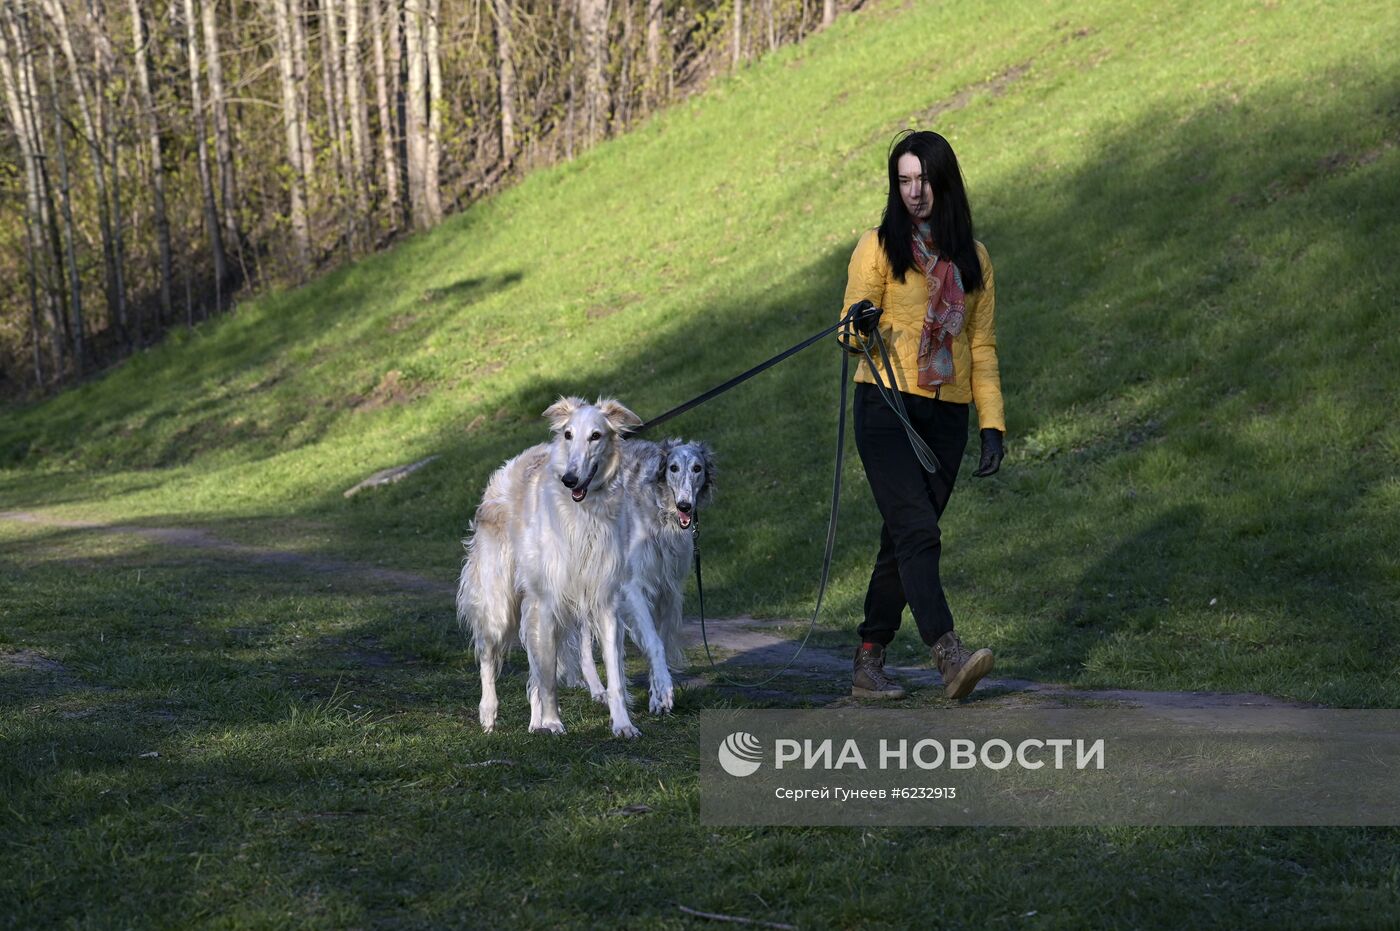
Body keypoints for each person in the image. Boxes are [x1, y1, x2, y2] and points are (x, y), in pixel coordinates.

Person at [840, 129, 1005, 701]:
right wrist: (856, 327)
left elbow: (980, 347)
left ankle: (869, 660)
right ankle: (949, 656)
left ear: (944, 183)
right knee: (918, 532)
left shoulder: (974, 260)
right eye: (903, 180)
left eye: (923, 179)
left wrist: (992, 424)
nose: (914, 191)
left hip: (947, 417)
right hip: (886, 407)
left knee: (902, 541)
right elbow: (847, 333)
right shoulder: (878, 247)